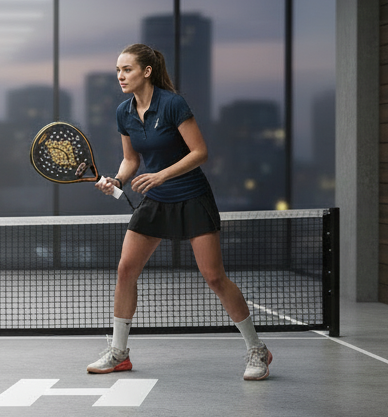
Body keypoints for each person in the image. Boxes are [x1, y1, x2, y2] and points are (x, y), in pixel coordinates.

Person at [85, 43, 272, 381]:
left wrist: (161, 175)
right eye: (117, 71)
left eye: (127, 69)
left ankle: (258, 350)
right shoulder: (123, 112)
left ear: (146, 71)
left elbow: (200, 152)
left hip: (191, 196)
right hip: (155, 200)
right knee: (126, 270)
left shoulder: (173, 104)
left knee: (214, 277)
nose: (120, 76)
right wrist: (117, 180)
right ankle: (119, 353)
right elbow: (131, 159)